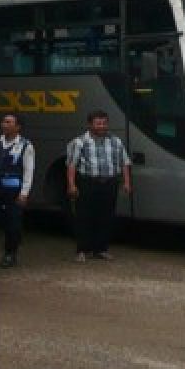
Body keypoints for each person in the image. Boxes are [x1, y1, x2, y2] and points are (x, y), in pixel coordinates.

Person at [66, 110, 132, 263]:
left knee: (106, 217)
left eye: (104, 123)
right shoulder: (80, 142)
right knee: (84, 217)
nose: (102, 126)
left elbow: (125, 163)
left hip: (109, 183)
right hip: (88, 183)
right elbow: (71, 165)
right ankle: (82, 250)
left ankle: (101, 249)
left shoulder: (115, 141)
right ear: (90, 124)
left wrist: (127, 182)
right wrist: (71, 184)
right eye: (98, 123)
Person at [0, 113, 34, 268]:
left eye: (8, 122)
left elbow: (28, 170)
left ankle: (10, 254)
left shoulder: (25, 145)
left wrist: (24, 193)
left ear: (18, 127)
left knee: (13, 225)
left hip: (14, 193)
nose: (4, 124)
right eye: (3, 121)